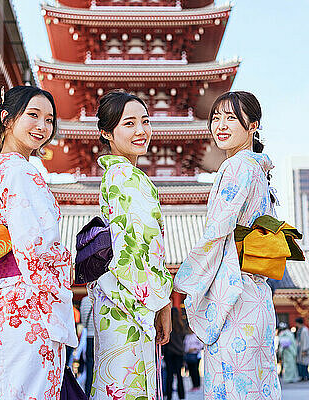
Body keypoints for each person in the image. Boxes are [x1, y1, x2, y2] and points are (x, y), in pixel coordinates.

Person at [0, 86, 78, 399]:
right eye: (33, 115)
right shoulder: (24, 172)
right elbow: (37, 248)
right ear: (7, 118)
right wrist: (64, 278)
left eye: (49, 120)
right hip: (28, 302)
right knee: (29, 388)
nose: (42, 126)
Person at [175, 91, 281, 399]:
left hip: (234, 298)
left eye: (231, 118)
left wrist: (183, 284)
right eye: (216, 118)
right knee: (255, 386)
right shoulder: (260, 171)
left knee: (232, 386)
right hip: (256, 295)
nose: (221, 125)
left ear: (253, 126)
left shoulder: (237, 167)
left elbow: (216, 233)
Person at [90, 90, 172, 399]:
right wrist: (162, 301)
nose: (141, 131)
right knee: (130, 386)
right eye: (129, 123)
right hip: (131, 303)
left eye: (145, 121)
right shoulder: (128, 176)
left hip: (113, 299)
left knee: (114, 383)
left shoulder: (114, 174)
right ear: (107, 132)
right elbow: (141, 248)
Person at [163, 307, 186, 400]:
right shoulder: (181, 325)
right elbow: (183, 338)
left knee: (169, 375)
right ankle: (181, 395)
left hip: (169, 353)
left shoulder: (168, 327)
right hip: (179, 353)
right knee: (179, 375)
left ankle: (169, 396)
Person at [79, 294, 95, 396]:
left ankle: (88, 392)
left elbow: (83, 322)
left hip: (89, 337)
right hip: (99, 337)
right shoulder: (100, 297)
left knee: (89, 366)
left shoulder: (84, 300)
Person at [183, 326, 203, 392]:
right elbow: (185, 346)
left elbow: (201, 345)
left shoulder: (196, 336)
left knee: (195, 371)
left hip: (195, 355)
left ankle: (197, 385)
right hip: (188, 355)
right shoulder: (187, 336)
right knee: (191, 371)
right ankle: (194, 385)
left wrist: (195, 348)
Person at [295, 317, 309, 382]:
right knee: (300, 363)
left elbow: (306, 340)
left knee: (304, 363)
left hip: (303, 349)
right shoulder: (299, 330)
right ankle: (302, 376)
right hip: (299, 348)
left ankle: (306, 376)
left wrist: (305, 350)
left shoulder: (304, 330)